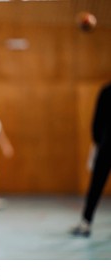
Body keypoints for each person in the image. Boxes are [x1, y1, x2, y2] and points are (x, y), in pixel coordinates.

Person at [70, 83, 111, 237]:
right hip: (106, 146)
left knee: (96, 185)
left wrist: (98, 141)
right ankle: (86, 221)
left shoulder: (107, 91)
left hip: (106, 146)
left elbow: (97, 120)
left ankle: (86, 222)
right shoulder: (106, 91)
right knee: (96, 185)